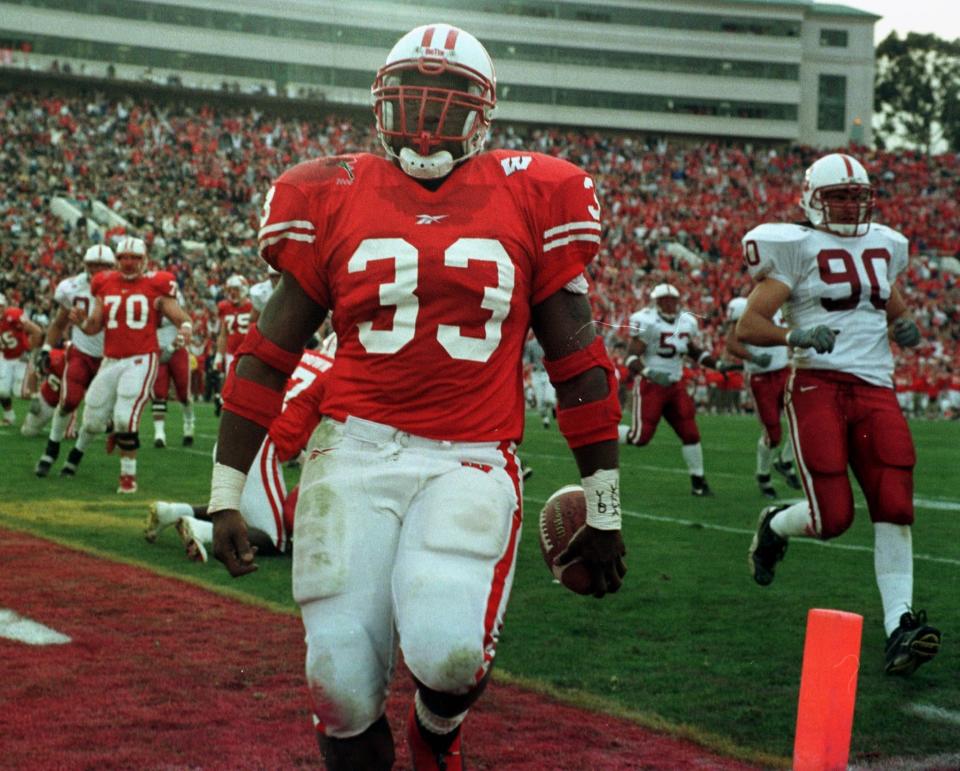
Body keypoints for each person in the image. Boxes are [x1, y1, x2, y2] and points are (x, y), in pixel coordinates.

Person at [205, 23, 626, 771]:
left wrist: (607, 508)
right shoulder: (327, 190)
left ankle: (436, 735)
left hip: (468, 456)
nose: (427, 121)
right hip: (353, 448)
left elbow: (579, 364)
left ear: (484, 113)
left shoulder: (534, 190)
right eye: (411, 100)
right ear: (380, 105)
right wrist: (224, 493)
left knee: (450, 652)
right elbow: (267, 356)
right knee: (337, 687)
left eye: (448, 100)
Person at [738, 152, 940, 676]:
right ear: (812, 199)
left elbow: (887, 302)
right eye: (839, 196)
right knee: (833, 518)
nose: (851, 206)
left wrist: (905, 325)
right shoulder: (796, 246)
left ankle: (900, 626)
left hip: (875, 386)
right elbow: (749, 325)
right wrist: (794, 335)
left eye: (857, 196)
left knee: (895, 500)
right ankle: (776, 525)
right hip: (817, 384)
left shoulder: (885, 245)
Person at [147, 347, 332, 561]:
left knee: (235, 510)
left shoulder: (304, 355)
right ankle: (200, 530)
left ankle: (172, 511)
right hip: (260, 446)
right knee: (276, 539)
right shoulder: (336, 376)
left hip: (234, 431)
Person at [70, 236, 192, 493]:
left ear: (145, 259)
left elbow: (180, 315)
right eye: (124, 258)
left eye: (134, 258)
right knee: (91, 420)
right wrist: (81, 322)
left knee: (125, 418)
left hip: (141, 358)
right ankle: (75, 455)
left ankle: (128, 478)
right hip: (111, 359)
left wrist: (187, 327)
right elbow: (93, 326)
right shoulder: (103, 283)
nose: (128, 263)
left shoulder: (156, 284)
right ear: (116, 260)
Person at [620, 282, 738, 497]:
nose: (670, 304)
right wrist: (649, 373)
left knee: (691, 433)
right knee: (640, 438)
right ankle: (605, 433)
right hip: (651, 386)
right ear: (657, 302)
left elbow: (694, 351)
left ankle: (698, 482)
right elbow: (630, 358)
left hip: (675, 385)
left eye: (673, 300)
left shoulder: (686, 322)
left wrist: (717, 364)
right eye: (665, 300)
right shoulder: (647, 320)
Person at [35, 244, 115, 477]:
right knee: (69, 401)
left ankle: (76, 455)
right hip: (80, 352)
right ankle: (51, 448)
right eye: (93, 265)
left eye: (103, 265)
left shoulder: (121, 288)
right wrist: (47, 349)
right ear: (85, 266)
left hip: (109, 359)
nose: (98, 270)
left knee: (93, 420)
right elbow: (59, 323)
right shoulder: (73, 287)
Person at [725, 296, 801, 499]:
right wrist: (754, 357)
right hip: (761, 378)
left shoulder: (781, 302)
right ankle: (763, 474)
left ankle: (785, 461)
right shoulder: (745, 305)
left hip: (784, 371)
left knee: (803, 419)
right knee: (773, 434)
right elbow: (731, 343)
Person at [150, 289, 195, 448]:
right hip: (156, 350)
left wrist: (176, 343)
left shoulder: (173, 300)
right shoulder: (147, 300)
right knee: (159, 392)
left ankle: (189, 426)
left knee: (183, 393)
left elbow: (185, 324)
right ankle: (159, 434)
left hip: (177, 348)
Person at [213, 274, 254, 415]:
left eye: (235, 289)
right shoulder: (224, 307)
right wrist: (219, 355)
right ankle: (226, 407)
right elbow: (223, 334)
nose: (232, 293)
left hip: (249, 352)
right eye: (230, 290)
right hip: (231, 352)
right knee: (230, 383)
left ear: (243, 289)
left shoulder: (253, 306)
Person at [0, 292, 43, 424]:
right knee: (2, 391)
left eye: (0, 306)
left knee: (22, 394)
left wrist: (30, 351)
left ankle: (43, 397)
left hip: (21, 358)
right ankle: (9, 416)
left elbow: (37, 331)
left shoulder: (13, 315)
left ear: (4, 306)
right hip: (5, 357)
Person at [523, 332, 556, 428]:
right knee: (540, 400)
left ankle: (554, 407)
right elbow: (527, 358)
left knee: (549, 398)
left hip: (547, 372)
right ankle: (545, 420)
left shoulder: (549, 343)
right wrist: (528, 364)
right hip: (536, 373)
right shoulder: (531, 344)